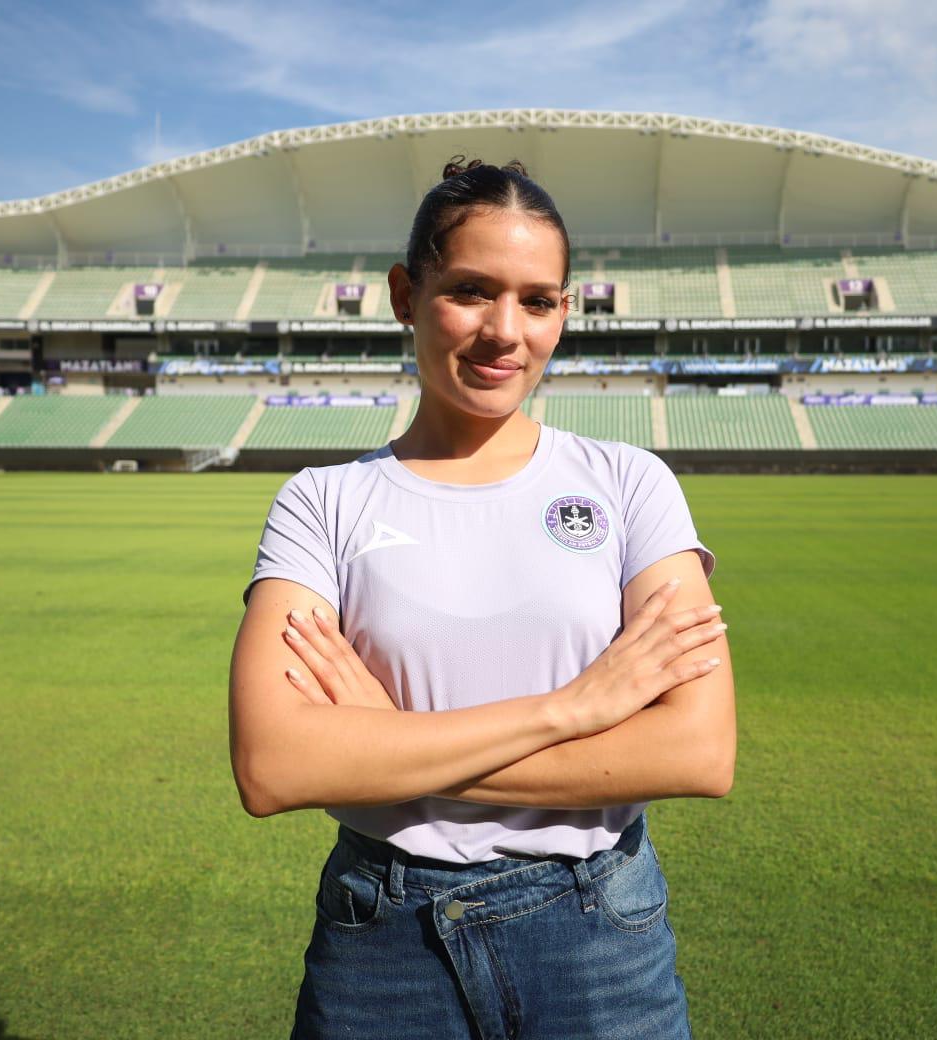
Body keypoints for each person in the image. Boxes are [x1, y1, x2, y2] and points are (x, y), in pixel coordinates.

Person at [228, 157, 736, 1040]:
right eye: (470, 290)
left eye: (537, 300)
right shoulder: (322, 501)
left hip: (599, 934)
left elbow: (697, 752)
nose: (506, 331)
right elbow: (274, 766)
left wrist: (381, 743)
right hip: (384, 942)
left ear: (564, 313)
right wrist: (571, 710)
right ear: (404, 294)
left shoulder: (629, 485)